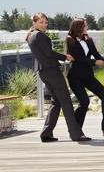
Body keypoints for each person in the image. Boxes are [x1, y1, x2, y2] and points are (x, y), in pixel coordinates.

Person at [26, 13, 91, 142]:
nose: (44, 25)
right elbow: (49, 53)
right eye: (41, 22)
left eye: (45, 22)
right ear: (34, 23)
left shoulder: (31, 36)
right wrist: (65, 57)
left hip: (43, 72)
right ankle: (76, 134)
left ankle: (46, 133)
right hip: (52, 72)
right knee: (66, 102)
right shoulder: (38, 35)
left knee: (56, 102)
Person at [65, 18, 104, 137]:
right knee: (84, 102)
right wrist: (94, 63)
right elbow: (78, 58)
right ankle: (76, 131)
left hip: (87, 75)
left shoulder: (88, 39)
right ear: (78, 27)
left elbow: (96, 55)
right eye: (85, 26)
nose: (87, 27)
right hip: (75, 76)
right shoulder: (70, 40)